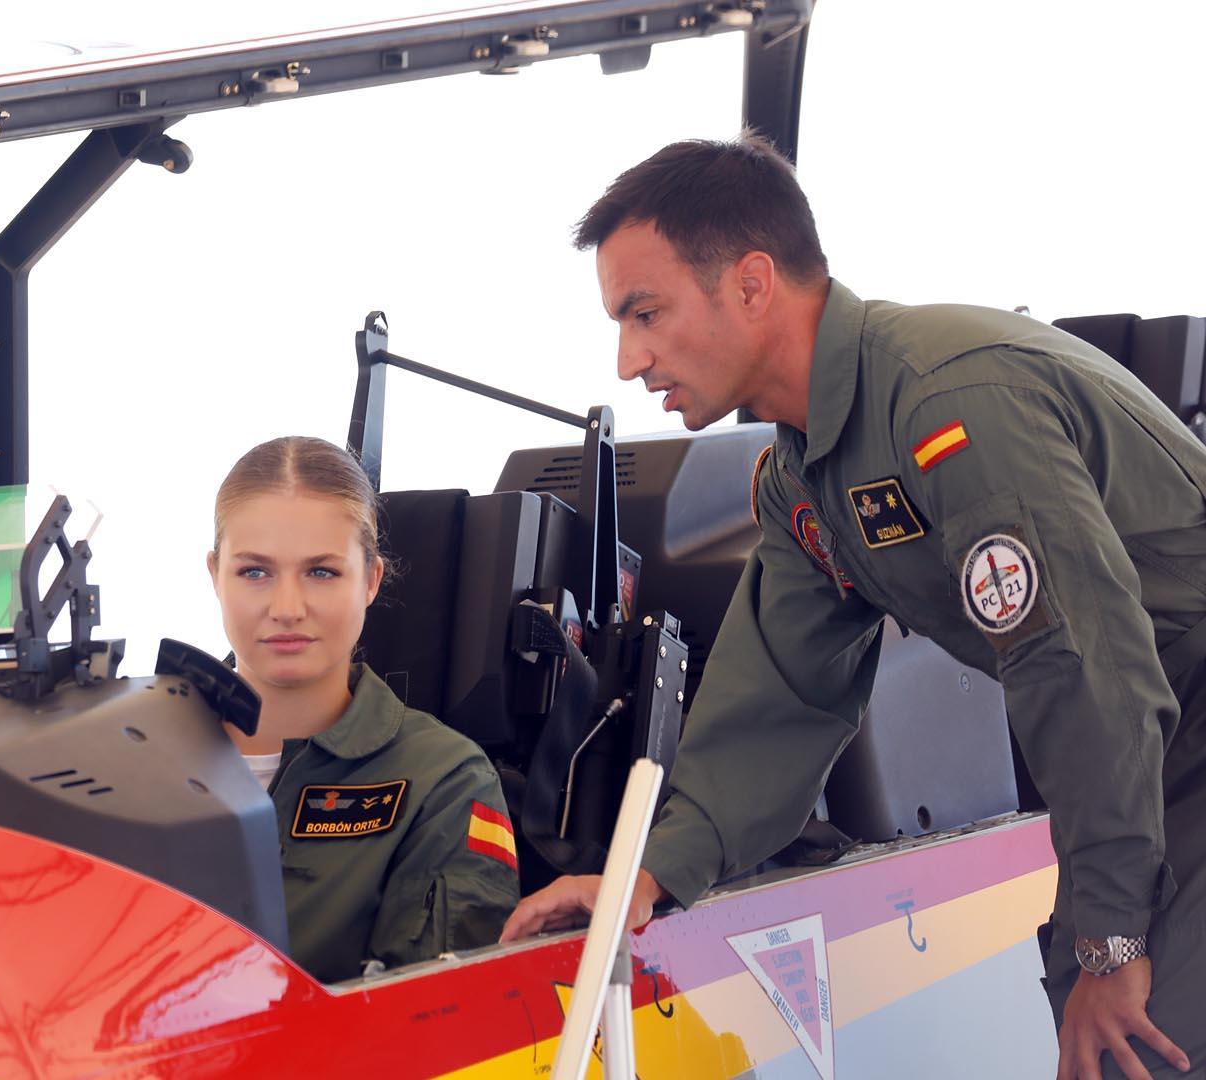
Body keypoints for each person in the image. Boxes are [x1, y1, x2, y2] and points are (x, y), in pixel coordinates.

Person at [499, 134, 1206, 1080]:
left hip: (1175, 720)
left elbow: (1081, 667)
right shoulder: (803, 476)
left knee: (1141, 1038)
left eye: (645, 313)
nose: (629, 359)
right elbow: (782, 696)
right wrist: (647, 876)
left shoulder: (948, 406)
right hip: (1153, 751)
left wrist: (1114, 941)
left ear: (752, 284)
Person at [208, 435, 519, 982]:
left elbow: (436, 1027)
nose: (286, 608)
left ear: (371, 580)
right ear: (215, 575)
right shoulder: (127, 751)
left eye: (321, 572)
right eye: (255, 571)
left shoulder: (442, 783)